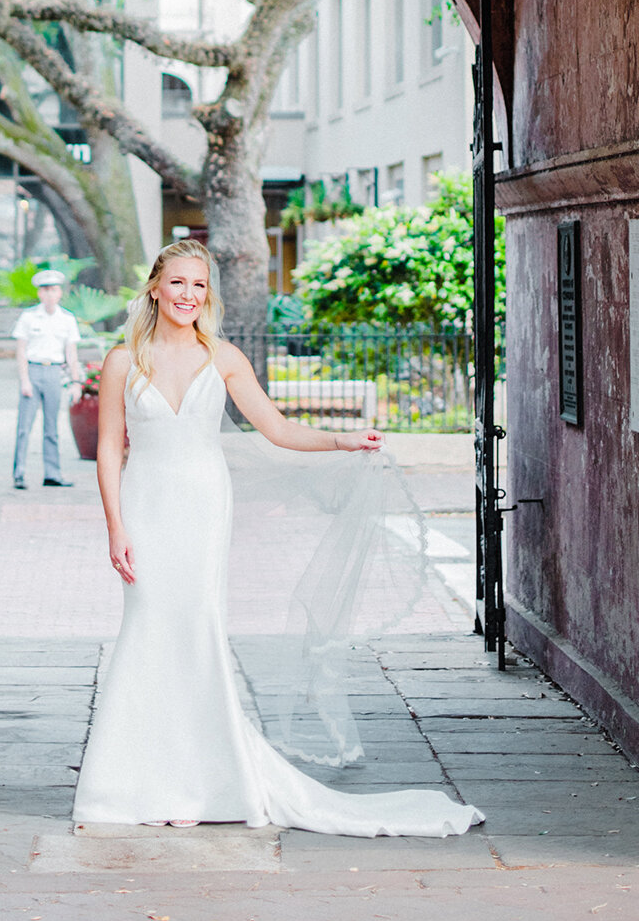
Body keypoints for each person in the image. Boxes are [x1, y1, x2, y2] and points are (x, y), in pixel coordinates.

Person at [71, 240, 484, 838]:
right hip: (146, 504)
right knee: (147, 628)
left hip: (204, 506)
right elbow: (110, 447)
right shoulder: (121, 360)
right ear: (156, 287)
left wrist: (343, 442)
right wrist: (115, 526)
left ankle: (203, 784)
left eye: (200, 285)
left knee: (197, 630)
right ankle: (132, 784)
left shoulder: (226, 357)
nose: (190, 295)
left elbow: (278, 429)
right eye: (179, 283)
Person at [12, 269, 82, 490]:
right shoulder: (29, 317)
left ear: (60, 292)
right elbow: (21, 350)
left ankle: (52, 473)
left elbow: (71, 353)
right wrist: (24, 380)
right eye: (45, 290)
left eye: (53, 290)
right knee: (24, 426)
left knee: (51, 428)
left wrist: (75, 381)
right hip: (33, 371)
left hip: (54, 373)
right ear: (40, 293)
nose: (50, 294)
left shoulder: (67, 319)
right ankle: (19, 473)